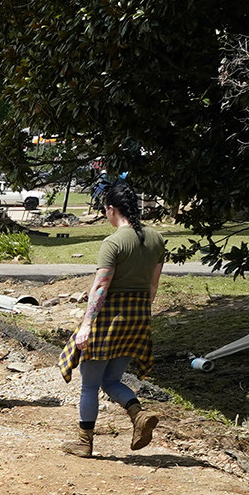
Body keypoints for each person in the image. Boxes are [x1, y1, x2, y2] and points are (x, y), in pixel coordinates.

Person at [62, 180, 164, 457]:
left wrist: (86, 325)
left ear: (110, 209)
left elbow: (101, 287)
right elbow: (153, 286)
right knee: (112, 380)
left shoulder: (113, 242)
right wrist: (140, 313)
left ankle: (85, 442)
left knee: (91, 384)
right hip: (138, 315)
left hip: (109, 317)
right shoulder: (156, 239)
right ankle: (139, 415)